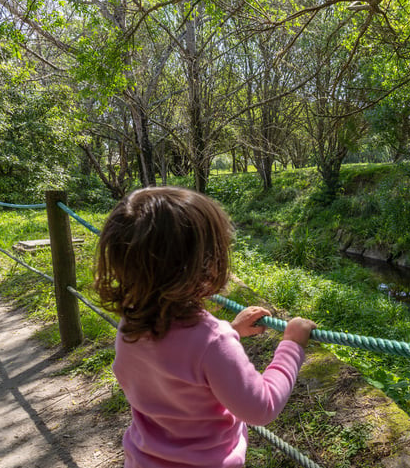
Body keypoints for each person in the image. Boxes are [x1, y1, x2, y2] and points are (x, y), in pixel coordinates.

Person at [95, 186, 316, 468]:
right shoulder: (212, 341)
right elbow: (261, 407)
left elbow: (177, 361)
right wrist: (292, 345)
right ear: (204, 265)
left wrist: (232, 331)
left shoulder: (131, 324)